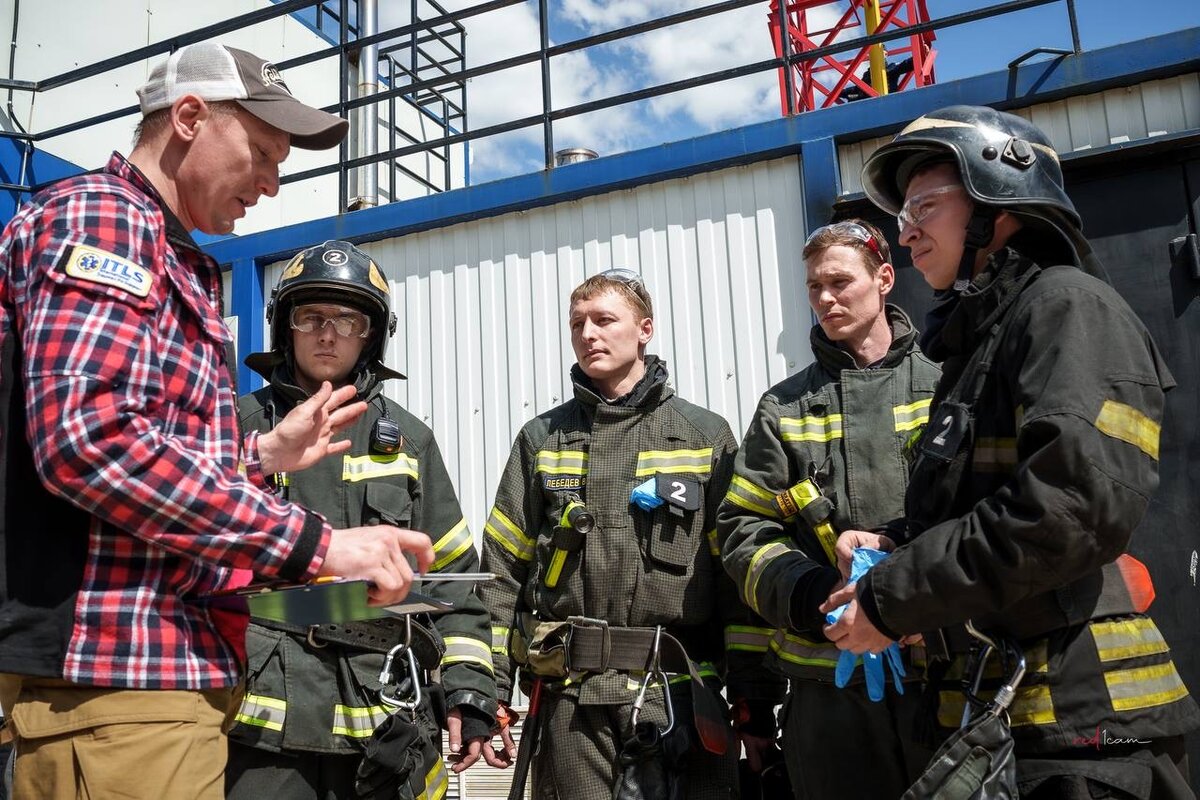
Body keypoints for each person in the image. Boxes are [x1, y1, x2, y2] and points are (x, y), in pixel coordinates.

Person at [0, 43, 434, 800]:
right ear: (190, 117)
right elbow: (89, 444)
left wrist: (253, 451)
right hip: (117, 690)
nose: (271, 185)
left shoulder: (167, 251)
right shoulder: (105, 222)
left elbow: (134, 440)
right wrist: (321, 546)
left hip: (157, 689)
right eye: (264, 154)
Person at [822, 104, 1200, 797]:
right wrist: (894, 542)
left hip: (1081, 739)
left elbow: (1069, 508)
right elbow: (987, 500)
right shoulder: (985, 342)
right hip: (1003, 724)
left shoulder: (1067, 307)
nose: (904, 234)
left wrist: (893, 597)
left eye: (925, 207)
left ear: (1000, 200)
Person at [476, 269, 781, 799]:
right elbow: (502, 571)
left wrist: (752, 699)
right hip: (572, 702)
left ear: (644, 328)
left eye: (604, 320)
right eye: (577, 324)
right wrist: (490, 689)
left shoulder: (705, 436)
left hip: (679, 698)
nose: (588, 334)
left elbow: (737, 582)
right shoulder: (541, 439)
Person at [226, 240, 504, 799]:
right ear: (286, 327)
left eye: (347, 320)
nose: (328, 334)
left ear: (370, 334)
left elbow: (452, 581)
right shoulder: (237, 426)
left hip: (381, 718)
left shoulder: (408, 440)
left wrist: (471, 689)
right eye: (311, 317)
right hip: (258, 723)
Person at [719, 218, 940, 799]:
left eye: (839, 281)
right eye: (814, 286)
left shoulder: (946, 384)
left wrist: (916, 586)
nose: (824, 297)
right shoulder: (784, 405)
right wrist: (816, 593)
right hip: (826, 682)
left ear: (885, 278)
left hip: (940, 671)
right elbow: (742, 529)